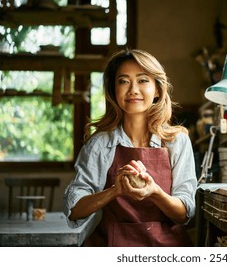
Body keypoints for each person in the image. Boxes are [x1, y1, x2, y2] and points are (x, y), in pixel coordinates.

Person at [63, 48, 197, 247]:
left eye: (143, 80)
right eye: (123, 81)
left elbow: (184, 213)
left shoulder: (177, 141)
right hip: (111, 244)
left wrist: (154, 192)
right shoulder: (100, 144)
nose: (133, 89)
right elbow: (74, 209)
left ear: (158, 90)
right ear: (113, 91)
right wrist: (115, 191)